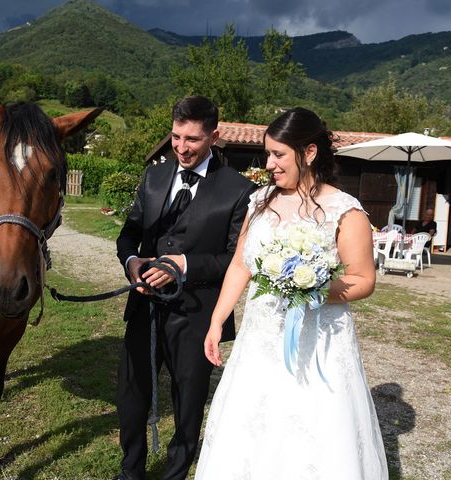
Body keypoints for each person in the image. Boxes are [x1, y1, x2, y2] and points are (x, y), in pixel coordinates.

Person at [195, 107, 388, 479]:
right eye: (268, 154)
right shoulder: (260, 202)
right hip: (260, 338)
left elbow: (364, 279)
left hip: (318, 344)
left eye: (278, 154)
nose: (269, 164)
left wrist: (312, 285)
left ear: (309, 153)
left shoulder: (345, 211)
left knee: (313, 429)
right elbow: (240, 265)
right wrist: (217, 320)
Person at [113, 96, 256, 480]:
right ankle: (131, 472)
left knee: (188, 404)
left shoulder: (239, 190)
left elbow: (236, 259)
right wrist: (133, 264)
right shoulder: (154, 177)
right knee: (131, 397)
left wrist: (184, 266)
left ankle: (175, 474)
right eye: (176, 136)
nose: (181, 147)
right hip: (144, 308)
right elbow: (128, 234)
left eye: (192, 139)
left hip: (197, 315)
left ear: (214, 135)